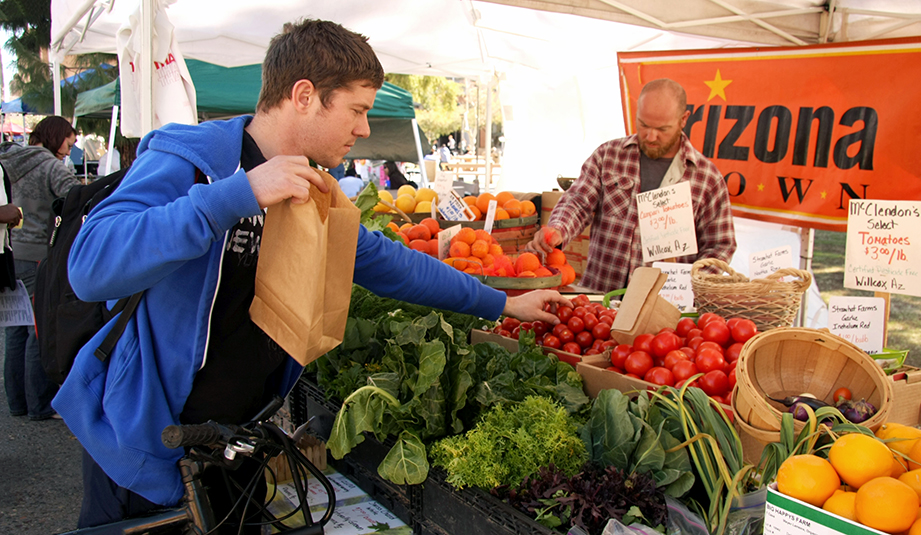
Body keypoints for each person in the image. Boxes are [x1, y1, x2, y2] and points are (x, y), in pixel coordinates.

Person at [53, 19, 570, 532]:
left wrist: (502, 304)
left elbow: (389, 264)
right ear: (304, 96)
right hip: (146, 451)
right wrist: (238, 195)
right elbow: (91, 267)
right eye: (357, 110)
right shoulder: (192, 161)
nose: (365, 129)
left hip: (237, 448)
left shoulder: (313, 187)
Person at [528, 78, 736, 293]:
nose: (651, 136)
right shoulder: (608, 156)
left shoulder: (707, 178)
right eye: (643, 125)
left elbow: (720, 245)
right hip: (601, 298)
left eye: (662, 129)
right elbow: (578, 202)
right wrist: (558, 229)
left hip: (663, 306)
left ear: (683, 119)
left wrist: (693, 285)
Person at [1, 116, 80, 421]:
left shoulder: (8, 160)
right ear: (56, 136)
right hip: (37, 253)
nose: (69, 150)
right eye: (68, 142)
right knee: (39, 330)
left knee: (16, 329)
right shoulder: (50, 165)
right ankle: (40, 405)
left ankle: (18, 403)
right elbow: (75, 197)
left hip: (8, 252)